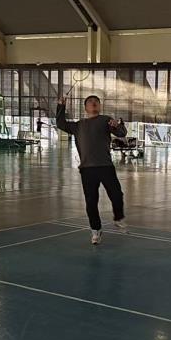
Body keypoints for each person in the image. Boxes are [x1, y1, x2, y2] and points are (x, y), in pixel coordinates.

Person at [57, 95, 127, 245]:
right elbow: (60, 123)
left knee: (116, 194)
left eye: (96, 102)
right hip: (87, 169)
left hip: (105, 166)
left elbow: (121, 133)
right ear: (85, 107)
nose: (93, 103)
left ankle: (118, 217)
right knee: (91, 202)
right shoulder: (78, 125)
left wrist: (117, 125)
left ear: (99, 106)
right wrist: (61, 106)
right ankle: (96, 230)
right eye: (90, 102)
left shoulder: (106, 120)